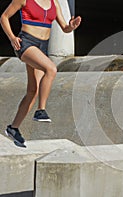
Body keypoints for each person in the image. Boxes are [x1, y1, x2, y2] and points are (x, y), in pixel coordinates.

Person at [0, 0, 81, 146]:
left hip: (42, 46)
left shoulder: (54, 3)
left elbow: (64, 27)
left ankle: (13, 128)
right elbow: (4, 17)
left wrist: (71, 26)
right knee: (51, 69)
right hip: (26, 43)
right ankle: (41, 110)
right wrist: (12, 38)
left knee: (33, 90)